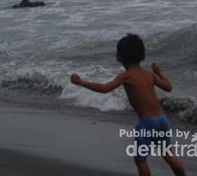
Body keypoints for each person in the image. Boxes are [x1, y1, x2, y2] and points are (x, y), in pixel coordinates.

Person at [70, 34, 186, 176]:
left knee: (140, 160)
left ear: (119, 57)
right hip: (162, 119)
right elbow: (168, 87)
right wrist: (159, 72)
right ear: (142, 55)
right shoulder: (149, 74)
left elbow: (104, 88)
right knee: (168, 153)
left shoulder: (125, 76)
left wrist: (82, 82)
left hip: (147, 123)